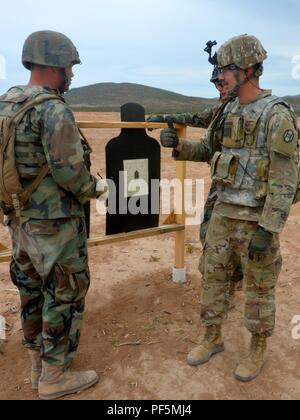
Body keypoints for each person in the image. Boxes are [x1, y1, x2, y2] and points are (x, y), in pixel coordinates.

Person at [160, 34, 299, 381]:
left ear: (249, 70)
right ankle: (212, 336)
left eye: (227, 69)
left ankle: (257, 347)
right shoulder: (227, 109)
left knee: (259, 288)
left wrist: (269, 230)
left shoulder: (275, 114)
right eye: (220, 70)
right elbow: (208, 150)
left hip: (256, 222)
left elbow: (285, 180)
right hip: (222, 214)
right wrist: (179, 147)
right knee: (213, 281)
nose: (219, 76)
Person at [0, 30, 106, 400]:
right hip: (56, 226)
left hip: (20, 220)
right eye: (70, 67)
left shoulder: (7, 103)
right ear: (54, 64)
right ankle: (55, 376)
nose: (72, 75)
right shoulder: (53, 108)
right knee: (64, 294)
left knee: (30, 291)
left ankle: (36, 366)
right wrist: (97, 188)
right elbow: (69, 174)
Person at [148, 69, 243, 306]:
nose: (219, 89)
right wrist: (164, 119)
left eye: (222, 83)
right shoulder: (223, 110)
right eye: (216, 85)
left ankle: (232, 282)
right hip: (222, 186)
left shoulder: (251, 110)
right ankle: (227, 284)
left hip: (245, 192)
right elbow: (197, 119)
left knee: (237, 243)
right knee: (209, 235)